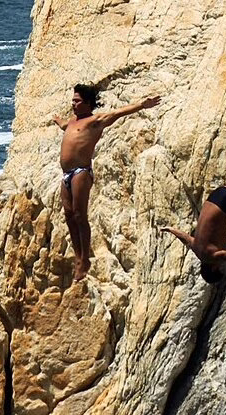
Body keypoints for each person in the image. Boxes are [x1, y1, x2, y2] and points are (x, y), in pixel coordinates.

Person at [52, 85, 161, 280]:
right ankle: (78, 256)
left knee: (79, 214)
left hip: (81, 173)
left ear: (87, 103)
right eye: (73, 100)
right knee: (68, 215)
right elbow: (64, 127)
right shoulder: (71, 122)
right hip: (66, 174)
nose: (73, 104)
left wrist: (142, 105)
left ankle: (85, 259)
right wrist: (57, 120)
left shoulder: (95, 121)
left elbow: (118, 113)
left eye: (77, 101)